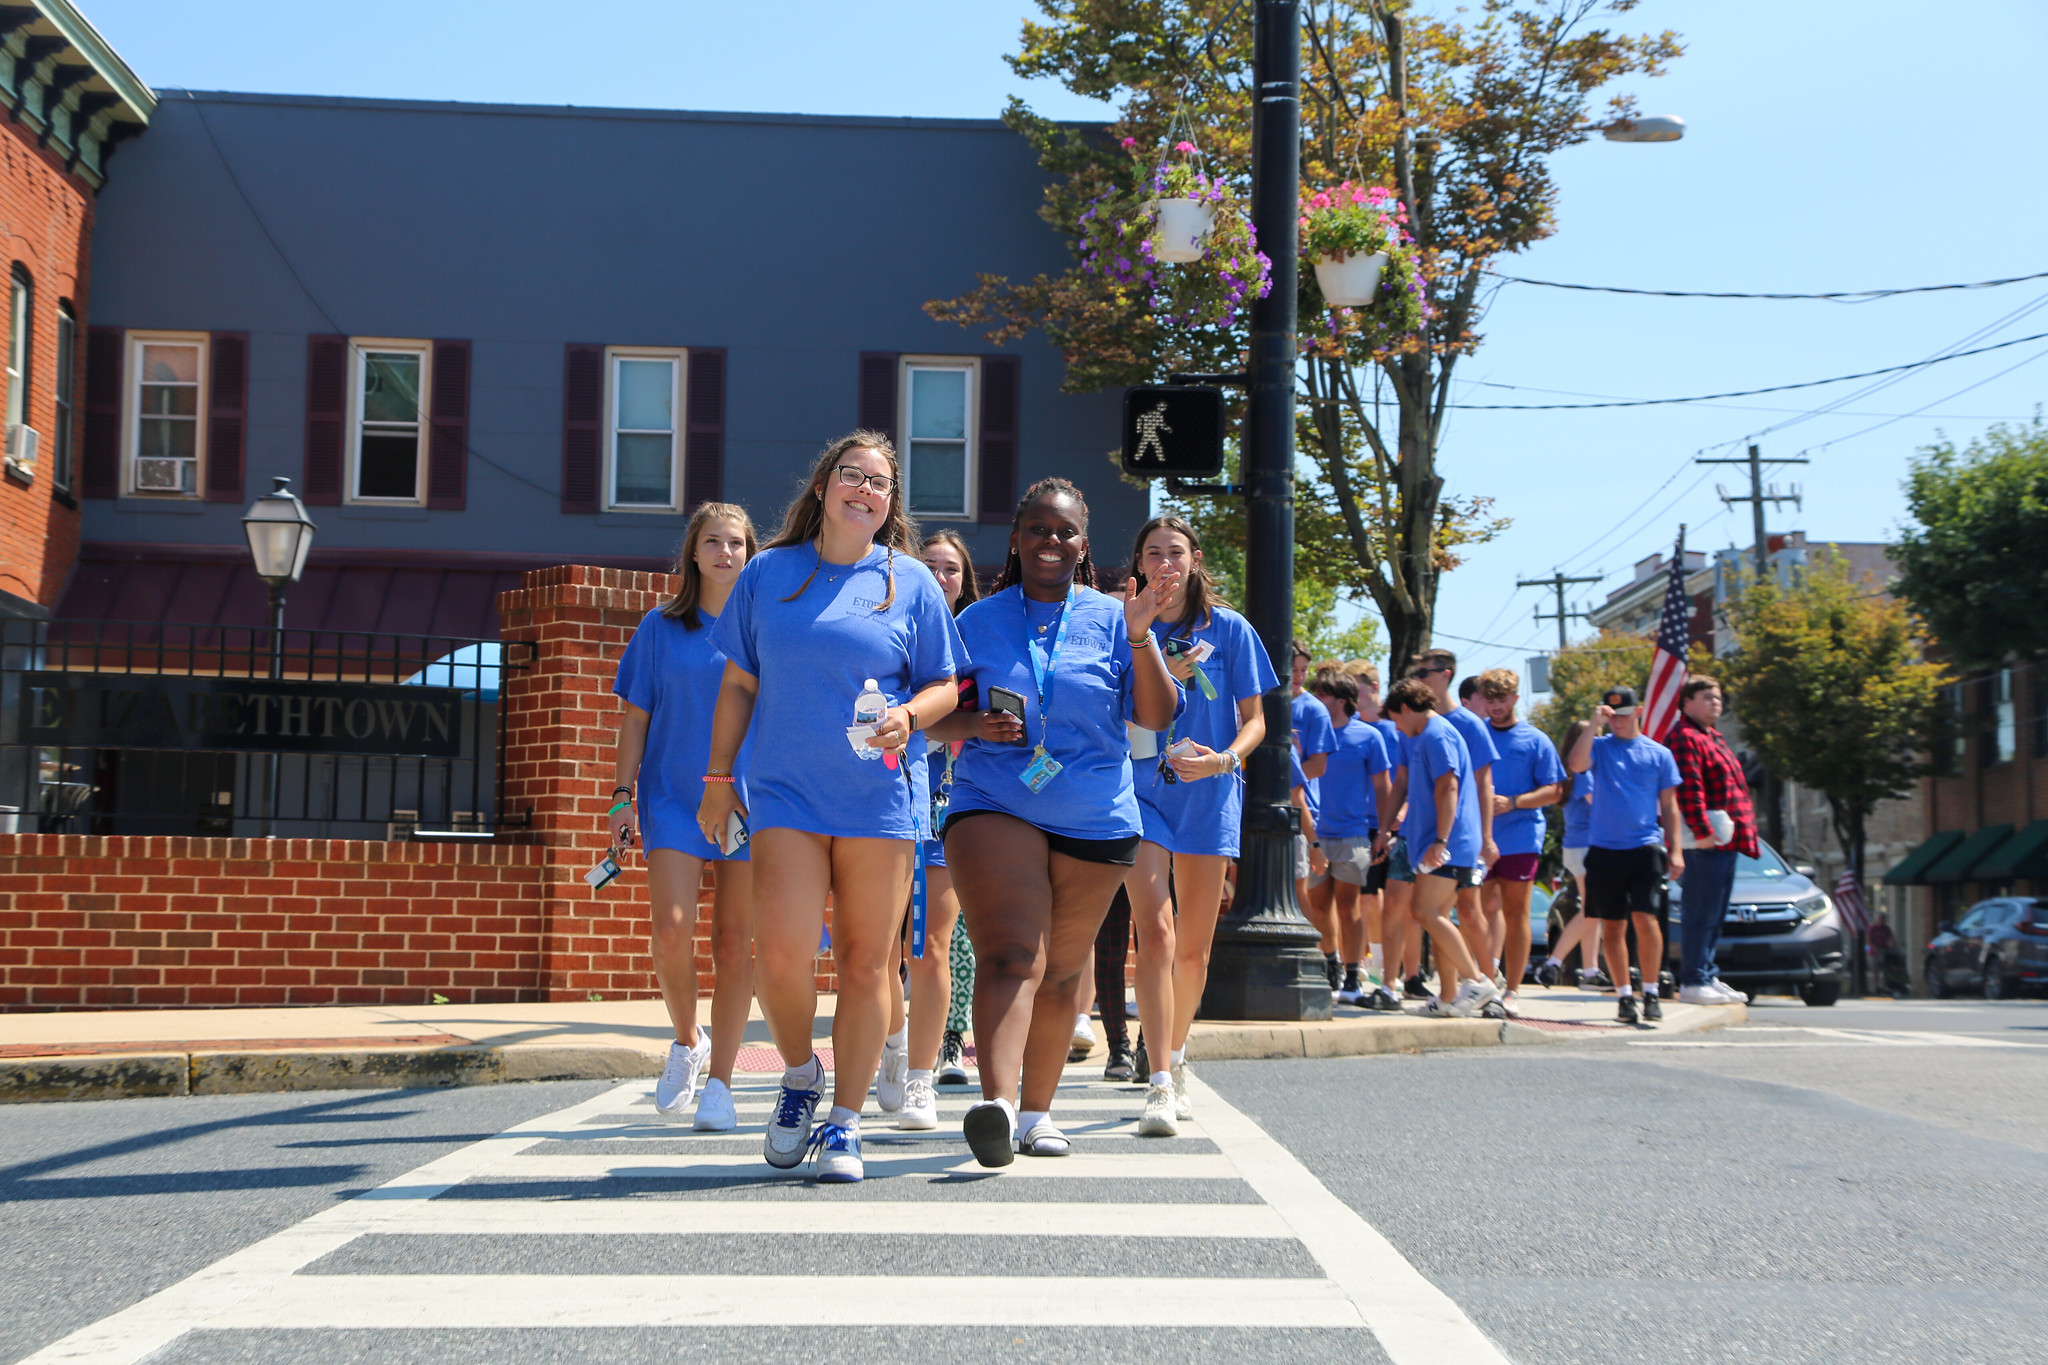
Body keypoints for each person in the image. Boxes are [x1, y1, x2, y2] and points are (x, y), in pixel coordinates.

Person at [698, 431, 965, 1182]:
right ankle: (797, 1075)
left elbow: (950, 685)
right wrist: (718, 780)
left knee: (862, 962)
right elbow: (740, 684)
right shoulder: (768, 575)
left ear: (888, 504)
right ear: (823, 487)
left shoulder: (909, 581)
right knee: (779, 953)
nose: (865, 490)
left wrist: (912, 716)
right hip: (785, 791)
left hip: (879, 796)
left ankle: (845, 1123)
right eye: (852, 476)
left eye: (879, 484)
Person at [932, 478, 1181, 1165]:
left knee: (1064, 973)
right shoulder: (978, 621)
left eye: (1064, 531)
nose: (1050, 541)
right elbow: (936, 712)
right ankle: (999, 1103)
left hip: (1095, 816)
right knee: (1014, 952)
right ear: (1015, 539)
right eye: (1037, 528)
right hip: (996, 799)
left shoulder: (1113, 617)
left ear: (1083, 544)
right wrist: (975, 721)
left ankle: (1038, 1111)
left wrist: (1140, 639)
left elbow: (1156, 716)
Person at [609, 503, 760, 1131]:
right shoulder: (658, 628)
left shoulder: (764, 630)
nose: (726, 553)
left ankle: (721, 1080)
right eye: (714, 542)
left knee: (734, 944)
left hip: (751, 801)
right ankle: (686, 1039)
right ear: (693, 553)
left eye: (737, 544)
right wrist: (621, 797)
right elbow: (635, 720)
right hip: (671, 799)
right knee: (671, 932)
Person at [1127, 515, 1277, 1136]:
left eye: (1176, 552)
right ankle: (1159, 1080)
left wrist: (1223, 759)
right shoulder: (1124, 624)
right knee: (1155, 935)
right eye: (1154, 552)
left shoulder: (1231, 630)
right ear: (1138, 561)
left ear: (1194, 561)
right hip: (1141, 792)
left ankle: (1177, 1053)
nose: (1165, 563)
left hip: (1211, 791)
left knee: (1193, 947)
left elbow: (1256, 720)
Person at [882, 531, 983, 1131]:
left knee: (931, 943)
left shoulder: (977, 639)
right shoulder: (896, 627)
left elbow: (994, 719)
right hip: (881, 801)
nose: (941, 576)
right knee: (877, 949)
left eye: (951, 569)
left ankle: (923, 1078)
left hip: (948, 804)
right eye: (931, 567)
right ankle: (894, 1044)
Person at [1379, 677, 1500, 1016]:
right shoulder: (1427, 735)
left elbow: (1449, 788)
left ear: (1405, 708)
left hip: (1449, 843)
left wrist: (1440, 840)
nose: (1398, 729)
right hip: (1445, 843)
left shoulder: (1436, 734)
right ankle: (1448, 998)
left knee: (1423, 912)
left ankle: (1476, 981)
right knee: (1439, 917)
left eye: (1397, 720)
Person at [1566, 684, 1685, 1026]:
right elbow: (1576, 764)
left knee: (1645, 919)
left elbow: (1669, 805)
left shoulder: (1658, 754)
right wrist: (1594, 724)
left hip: (1644, 847)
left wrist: (1675, 849)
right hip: (1603, 849)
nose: (1617, 721)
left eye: (1623, 715)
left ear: (1638, 712)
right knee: (1613, 926)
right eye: (1612, 715)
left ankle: (1649, 990)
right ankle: (1623, 995)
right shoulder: (1600, 747)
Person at [1662, 675, 1756, 1006]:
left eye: (1717, 697)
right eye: (1706, 696)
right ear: (1686, 703)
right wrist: (1702, 833)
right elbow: (1689, 789)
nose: (1715, 702)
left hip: (1725, 840)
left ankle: (1706, 974)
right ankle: (1692, 980)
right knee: (1700, 911)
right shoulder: (1686, 737)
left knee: (1714, 912)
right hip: (1706, 842)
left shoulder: (1711, 736)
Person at [1410, 650, 1500, 996]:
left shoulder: (1468, 724)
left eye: (1424, 673)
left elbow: (1482, 783)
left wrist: (1487, 838)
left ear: (1445, 675)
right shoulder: (1419, 722)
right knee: (1440, 915)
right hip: (1429, 836)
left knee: (1470, 911)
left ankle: (1488, 984)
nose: (1419, 678)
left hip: (1459, 838)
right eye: (1416, 673)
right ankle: (1450, 995)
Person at [1307, 667, 1396, 1008]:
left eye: (1323, 695)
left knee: (1349, 906)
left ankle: (1353, 971)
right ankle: (1330, 963)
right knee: (1318, 905)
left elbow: (1383, 787)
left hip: (1353, 834)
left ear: (1342, 701)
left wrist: (1385, 831)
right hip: (1314, 832)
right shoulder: (1310, 733)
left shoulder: (1369, 737)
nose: (1316, 700)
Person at [1476, 668, 1565, 1008]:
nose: (1496, 707)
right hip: (1480, 838)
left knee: (1516, 913)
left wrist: (1513, 803)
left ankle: (1513, 988)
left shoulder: (1536, 739)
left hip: (1521, 837)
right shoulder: (1475, 735)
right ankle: (1485, 979)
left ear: (1515, 699)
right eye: (1490, 701)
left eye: (1502, 700)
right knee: (1480, 912)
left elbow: (1555, 790)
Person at [1535, 719, 1610, 989]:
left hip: (1576, 846)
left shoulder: (1569, 772)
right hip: (1588, 846)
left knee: (1593, 910)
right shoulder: (1584, 774)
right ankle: (1553, 963)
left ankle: (1590, 971)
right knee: (1592, 910)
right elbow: (1601, 806)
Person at [1289, 641, 1338, 986]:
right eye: (1293, 669)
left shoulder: (1314, 710)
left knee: (1303, 892)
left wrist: (1284, 771)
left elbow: (1319, 764)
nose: (1299, 676)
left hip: (1301, 809)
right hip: (1256, 807)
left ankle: (1326, 961)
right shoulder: (1260, 699)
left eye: (1304, 670)